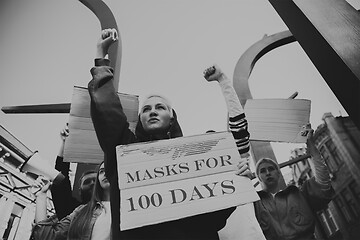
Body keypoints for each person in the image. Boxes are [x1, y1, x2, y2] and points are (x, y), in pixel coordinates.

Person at [88, 28, 252, 239]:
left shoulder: (198, 157)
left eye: (160, 107)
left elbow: (214, 217)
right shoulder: (123, 152)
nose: (153, 111)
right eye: (146, 110)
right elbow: (108, 114)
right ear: (140, 121)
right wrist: (101, 58)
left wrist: (236, 181)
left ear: (172, 118)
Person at [203, 65, 266, 240]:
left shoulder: (238, 163)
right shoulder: (197, 183)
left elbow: (238, 123)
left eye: (217, 145)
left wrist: (223, 80)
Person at [253, 128, 334, 240]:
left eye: (271, 169)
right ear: (258, 177)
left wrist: (313, 149)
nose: (267, 173)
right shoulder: (254, 203)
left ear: (278, 173)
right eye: (262, 171)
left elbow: (323, 184)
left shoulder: (299, 194)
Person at [32, 161, 111, 240]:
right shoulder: (81, 211)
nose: (105, 173)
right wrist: (41, 195)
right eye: (101, 171)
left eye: (109, 169)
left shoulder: (122, 206)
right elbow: (45, 236)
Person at [51, 124, 97, 220]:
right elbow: (60, 178)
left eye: (96, 180)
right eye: (87, 182)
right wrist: (65, 143)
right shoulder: (71, 209)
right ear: (80, 190)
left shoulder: (115, 209)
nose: (92, 183)